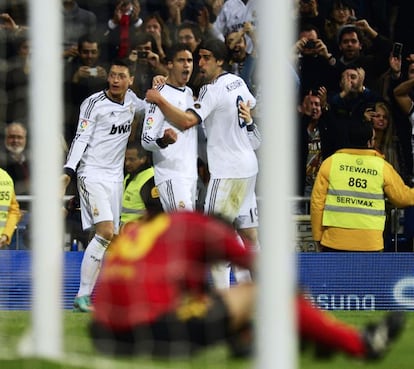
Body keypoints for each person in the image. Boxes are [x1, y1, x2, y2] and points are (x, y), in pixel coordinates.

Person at [89, 210, 406, 360]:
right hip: (150, 327)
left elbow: (200, 299)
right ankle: (360, 343)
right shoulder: (207, 230)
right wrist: (299, 301)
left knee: (218, 303)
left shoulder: (158, 230)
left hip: (104, 332)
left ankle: (246, 339)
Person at [145, 38, 258, 289]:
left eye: (205, 57)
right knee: (247, 234)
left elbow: (187, 121)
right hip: (248, 166)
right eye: (197, 58)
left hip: (226, 171)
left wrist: (159, 99)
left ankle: (222, 302)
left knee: (212, 240)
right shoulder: (238, 82)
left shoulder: (209, 90)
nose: (199, 63)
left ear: (220, 60)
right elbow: (251, 108)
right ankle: (259, 295)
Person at [61, 58, 146, 312]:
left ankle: (109, 294)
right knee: (106, 232)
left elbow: (150, 107)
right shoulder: (93, 103)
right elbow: (80, 138)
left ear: (130, 80)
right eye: (112, 75)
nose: (116, 80)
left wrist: (161, 82)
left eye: (121, 76)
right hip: (91, 174)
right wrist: (69, 171)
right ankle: (82, 296)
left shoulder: (133, 101)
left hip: (115, 179)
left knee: (110, 238)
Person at [311, 121, 414, 251]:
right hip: (370, 243)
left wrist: (317, 236)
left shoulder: (330, 163)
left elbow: (317, 203)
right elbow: (402, 198)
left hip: (334, 242)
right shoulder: (382, 167)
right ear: (370, 142)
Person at [141, 43, 197, 211]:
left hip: (190, 176)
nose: (187, 64)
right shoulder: (158, 94)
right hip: (171, 176)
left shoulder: (189, 93)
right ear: (170, 64)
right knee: (185, 230)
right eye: (181, 60)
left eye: (190, 60)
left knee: (186, 233)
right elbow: (146, 139)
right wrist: (163, 141)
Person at [64, 33, 108, 143]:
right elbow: (64, 100)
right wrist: (74, 80)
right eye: (85, 52)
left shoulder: (106, 68)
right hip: (75, 123)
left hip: (101, 124)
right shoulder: (69, 68)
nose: (89, 56)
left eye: (93, 52)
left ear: (99, 52)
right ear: (79, 52)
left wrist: (108, 80)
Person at [121, 141, 162, 225]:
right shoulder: (130, 175)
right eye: (125, 159)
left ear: (143, 159)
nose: (127, 163)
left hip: (137, 232)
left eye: (132, 159)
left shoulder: (150, 179)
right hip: (123, 230)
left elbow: (155, 214)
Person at [0, 122, 30, 197]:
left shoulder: (32, 161)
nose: (15, 140)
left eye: (19, 137)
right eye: (12, 137)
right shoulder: (2, 161)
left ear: (25, 139)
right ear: (5, 139)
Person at [0, 168, 21, 248]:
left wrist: (6, 235)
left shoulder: (5, 178)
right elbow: (14, 211)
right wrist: (6, 234)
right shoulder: (5, 177)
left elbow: (14, 211)